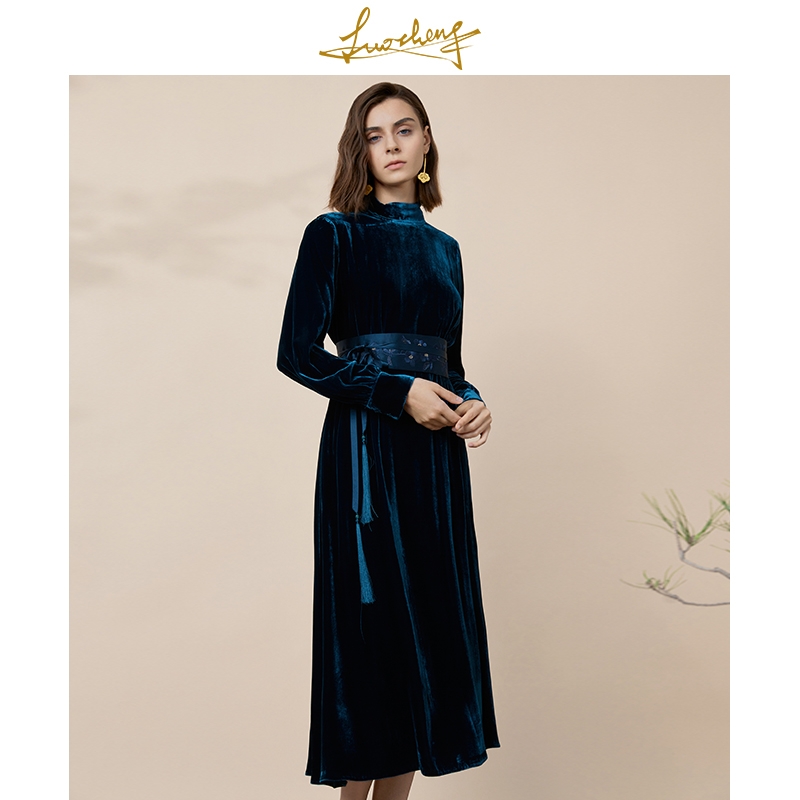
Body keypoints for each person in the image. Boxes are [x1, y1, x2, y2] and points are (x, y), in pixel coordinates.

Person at [277, 82, 500, 800]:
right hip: (366, 456)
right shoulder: (333, 234)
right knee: (372, 645)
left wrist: (471, 402)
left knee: (424, 640)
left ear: (427, 140)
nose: (393, 145)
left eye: (405, 129)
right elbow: (296, 352)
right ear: (360, 149)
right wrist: (395, 392)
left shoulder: (446, 250)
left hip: (434, 462)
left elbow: (450, 363)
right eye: (375, 135)